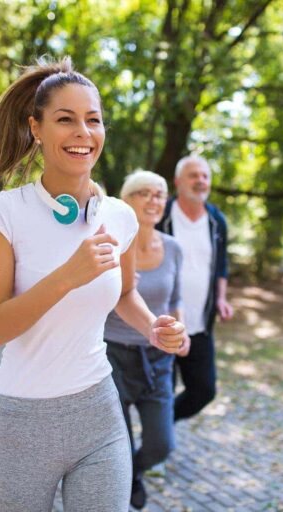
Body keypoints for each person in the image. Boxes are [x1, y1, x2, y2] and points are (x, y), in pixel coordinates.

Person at [0, 57, 186, 512]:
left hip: (99, 410)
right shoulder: (3, 214)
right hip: (23, 419)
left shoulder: (118, 215)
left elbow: (123, 293)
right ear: (36, 128)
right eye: (66, 119)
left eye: (93, 120)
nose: (83, 132)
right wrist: (66, 277)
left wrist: (153, 327)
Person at [103, 170, 190, 509]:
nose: (154, 200)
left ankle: (132, 474)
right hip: (113, 356)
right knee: (118, 443)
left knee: (161, 444)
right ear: (126, 201)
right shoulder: (109, 245)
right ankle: (119, 488)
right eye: (145, 193)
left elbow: (176, 298)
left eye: (160, 194)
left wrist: (179, 332)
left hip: (158, 359)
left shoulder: (173, 249)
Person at [156, 155, 234, 422]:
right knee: (161, 392)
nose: (201, 181)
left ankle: (161, 429)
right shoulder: (161, 216)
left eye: (205, 176)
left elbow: (220, 265)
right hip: (162, 322)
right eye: (194, 175)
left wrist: (221, 299)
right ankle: (156, 450)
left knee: (204, 390)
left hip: (200, 325)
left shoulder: (216, 221)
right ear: (178, 182)